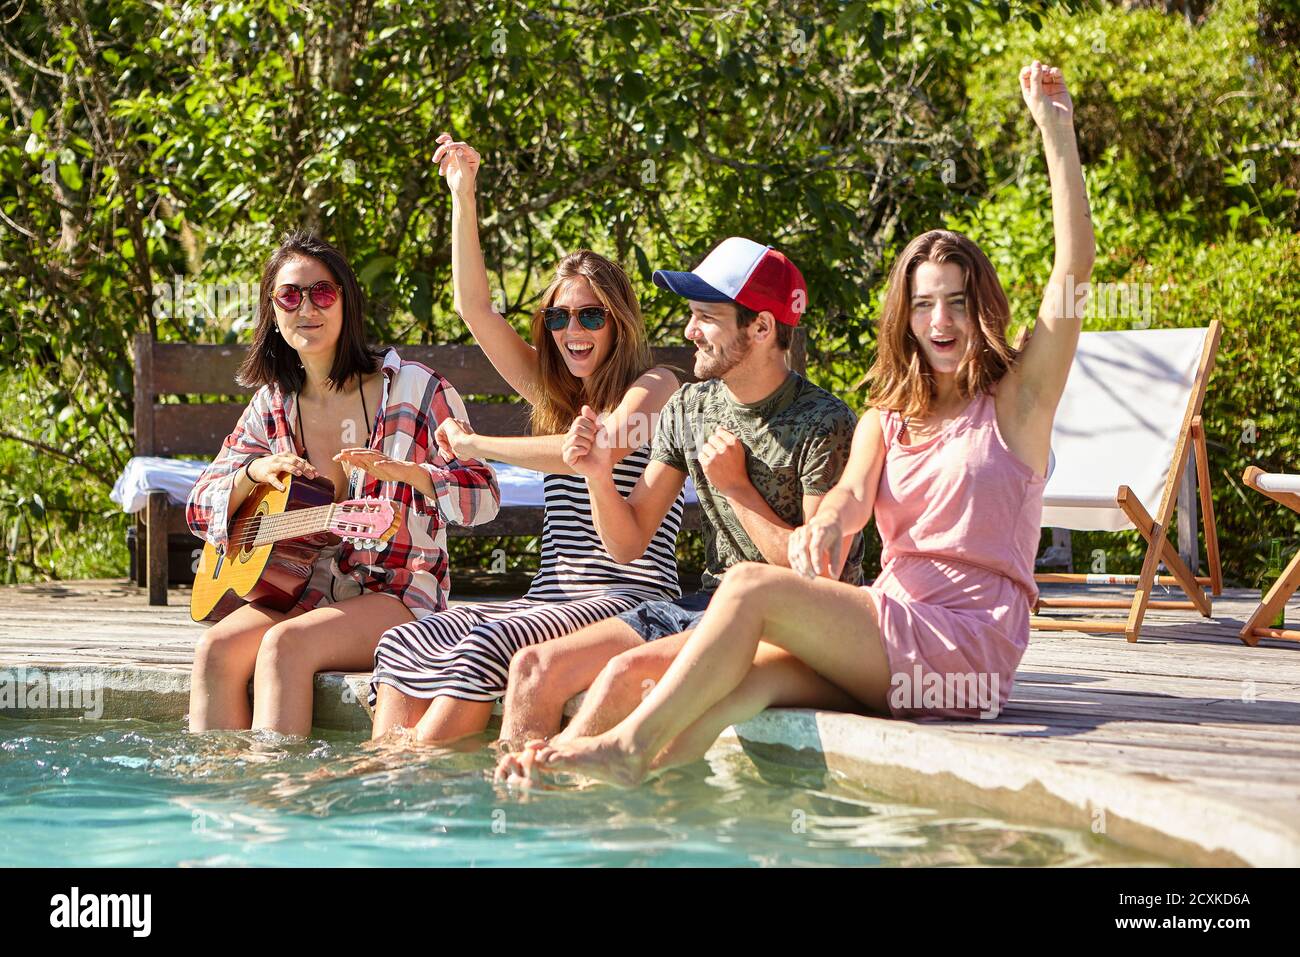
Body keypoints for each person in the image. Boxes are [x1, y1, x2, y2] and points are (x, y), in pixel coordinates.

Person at [512, 61, 1094, 786]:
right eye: (921, 305)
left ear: (982, 310)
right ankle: (621, 804)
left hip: (966, 656)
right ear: (903, 318)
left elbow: (1073, 272)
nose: (939, 321)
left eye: (954, 302)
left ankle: (628, 745)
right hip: (889, 630)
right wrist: (826, 528)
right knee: (748, 683)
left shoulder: (1016, 406)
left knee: (752, 587)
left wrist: (1056, 131)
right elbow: (850, 497)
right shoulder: (890, 415)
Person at [494, 235, 865, 773]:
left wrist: (736, 488)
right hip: (704, 613)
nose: (689, 331)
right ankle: (523, 822)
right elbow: (628, 543)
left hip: (799, 630)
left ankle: (581, 814)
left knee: (624, 677)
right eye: (691, 315)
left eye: (706, 318)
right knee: (533, 665)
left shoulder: (823, 422)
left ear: (761, 328)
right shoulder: (689, 406)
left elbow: (820, 575)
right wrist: (598, 475)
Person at [367, 134, 683, 744]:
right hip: (550, 598)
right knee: (405, 636)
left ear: (620, 322)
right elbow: (476, 309)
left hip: (628, 599)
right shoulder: (554, 392)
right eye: (559, 318)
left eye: (591, 315)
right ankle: (390, 772)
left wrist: (477, 444)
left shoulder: (657, 384)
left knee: (485, 641)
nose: (573, 330)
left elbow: (598, 450)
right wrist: (464, 195)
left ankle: (405, 769)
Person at [186, 230, 501, 737]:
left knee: (285, 646)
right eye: (290, 295)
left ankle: (280, 796)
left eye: (322, 293)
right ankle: (221, 802)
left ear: (346, 302)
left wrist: (412, 475)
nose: (306, 307)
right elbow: (200, 508)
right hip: (300, 591)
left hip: (396, 594)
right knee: (215, 650)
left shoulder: (416, 390)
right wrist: (251, 474)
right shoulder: (272, 406)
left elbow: (482, 497)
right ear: (273, 310)